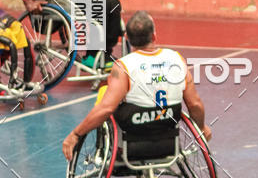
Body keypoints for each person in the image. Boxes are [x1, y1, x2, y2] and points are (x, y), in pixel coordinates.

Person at [62, 10, 211, 160]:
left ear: (128, 39)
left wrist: (76, 133)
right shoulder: (176, 59)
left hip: (133, 138)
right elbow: (195, 104)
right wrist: (201, 129)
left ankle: (105, 150)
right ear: (154, 36)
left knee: (105, 91)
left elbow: (106, 108)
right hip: (168, 134)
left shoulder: (123, 66)